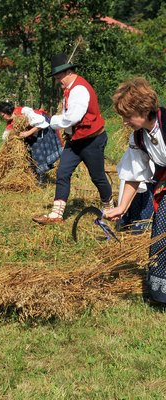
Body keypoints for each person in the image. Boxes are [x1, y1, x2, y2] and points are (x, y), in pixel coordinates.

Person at [104, 77, 166, 303]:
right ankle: (162, 294)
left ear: (142, 109)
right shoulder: (139, 137)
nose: (125, 122)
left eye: (127, 116)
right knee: (161, 236)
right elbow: (133, 174)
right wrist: (122, 206)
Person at [33, 53, 113, 224]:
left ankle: (111, 209)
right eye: (55, 78)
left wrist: (53, 120)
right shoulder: (69, 89)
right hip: (75, 140)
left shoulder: (79, 89)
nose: (57, 81)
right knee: (62, 173)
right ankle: (56, 215)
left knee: (97, 176)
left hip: (92, 140)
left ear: (69, 72)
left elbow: (73, 118)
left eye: (59, 77)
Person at [0, 101, 63, 185]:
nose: (3, 118)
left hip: (42, 129)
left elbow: (41, 123)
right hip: (32, 133)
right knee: (31, 154)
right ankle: (38, 176)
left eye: (3, 115)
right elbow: (6, 135)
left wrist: (27, 133)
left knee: (39, 153)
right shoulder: (10, 121)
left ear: (7, 112)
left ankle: (42, 179)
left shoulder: (24, 111)